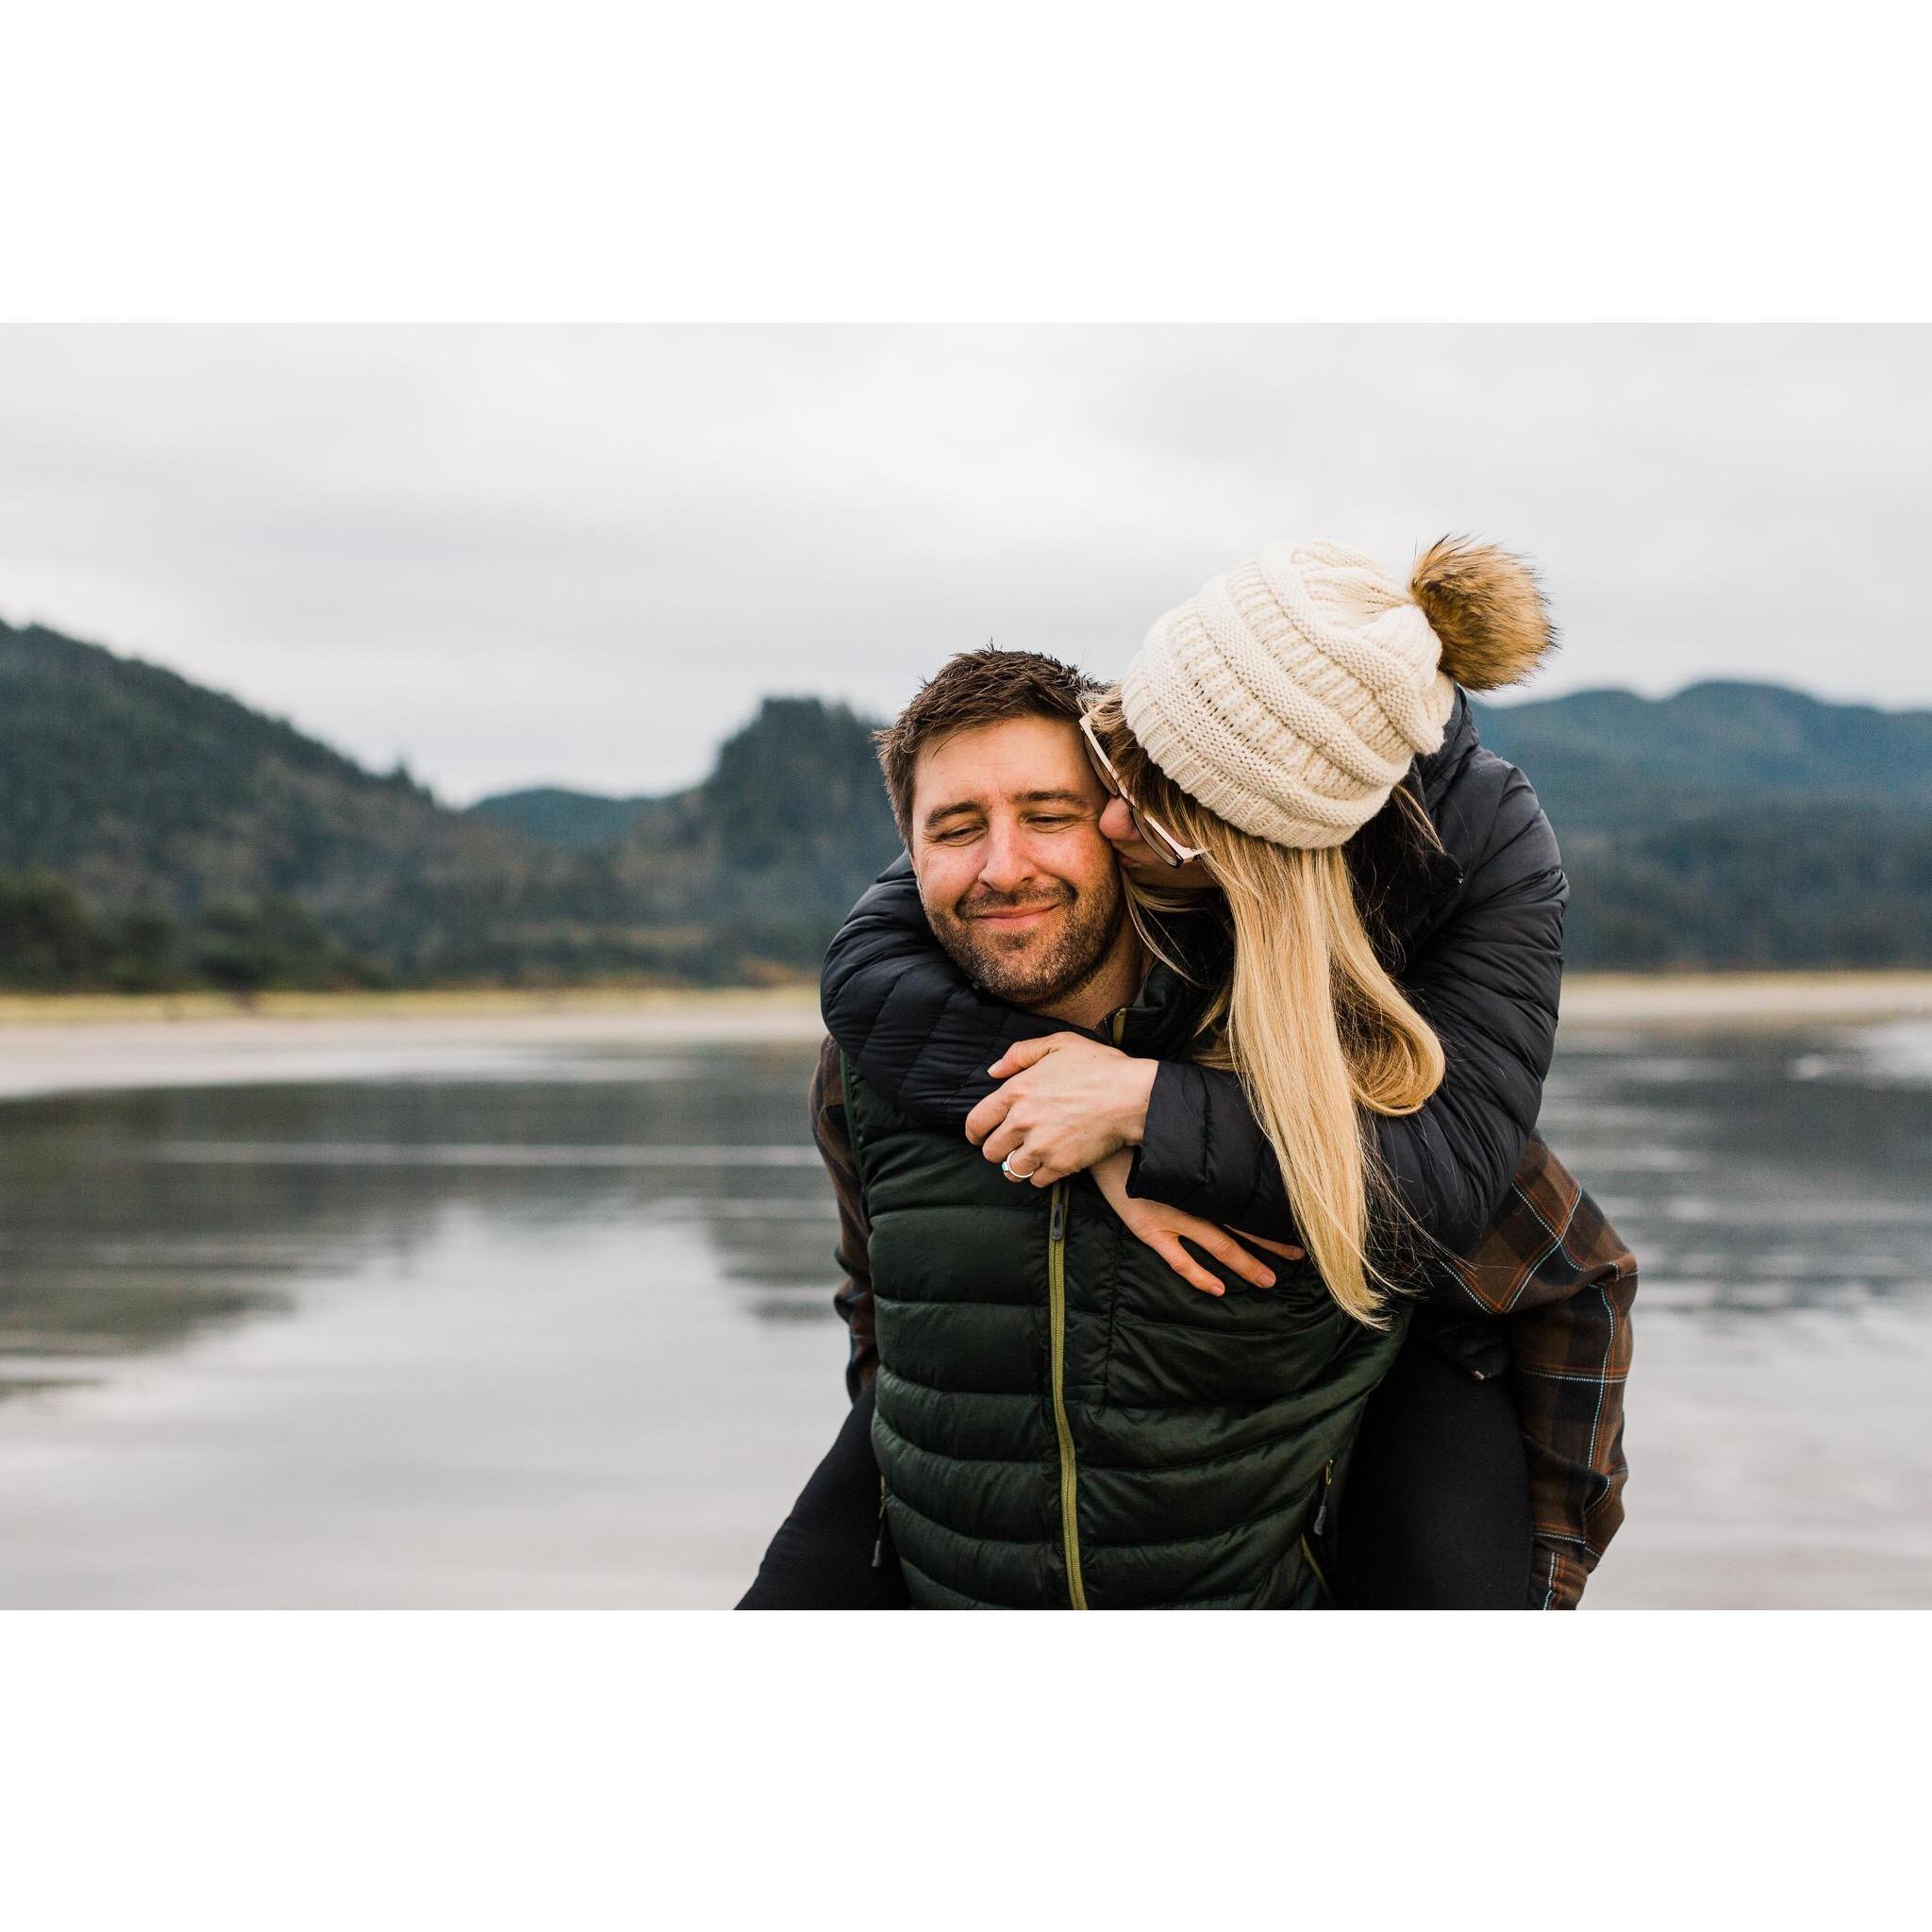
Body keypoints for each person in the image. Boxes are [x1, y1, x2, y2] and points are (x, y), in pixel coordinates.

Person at [741, 539, 1637, 1610]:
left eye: (1056, 813)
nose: (1006, 862)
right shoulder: (872, 1068)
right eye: (956, 829)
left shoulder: (1337, 1050)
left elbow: (1544, 1260)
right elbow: (879, 1310)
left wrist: (1150, 1109)